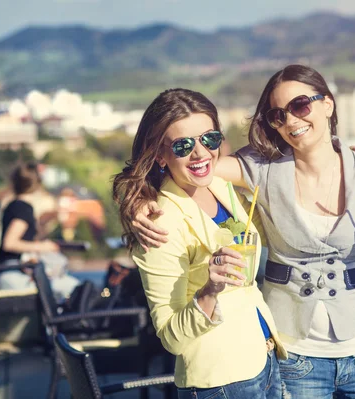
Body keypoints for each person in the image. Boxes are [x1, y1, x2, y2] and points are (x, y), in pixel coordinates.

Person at [131, 65, 355, 398]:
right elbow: (183, 167)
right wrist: (136, 199)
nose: (291, 120)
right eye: (278, 115)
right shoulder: (258, 170)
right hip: (294, 353)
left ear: (328, 105)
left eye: (301, 105)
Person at [112, 88, 287, 399]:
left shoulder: (220, 186)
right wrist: (209, 292)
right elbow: (171, 338)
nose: (200, 153)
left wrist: (343, 157)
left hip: (264, 360)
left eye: (210, 139)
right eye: (182, 145)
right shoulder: (159, 223)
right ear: (160, 156)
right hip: (221, 383)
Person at [0, 162, 80, 300]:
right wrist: (44, 247)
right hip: (14, 271)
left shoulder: (13, 206)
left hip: (9, 271)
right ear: (37, 183)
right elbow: (10, 243)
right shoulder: (23, 208)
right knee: (71, 288)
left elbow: (24, 237)